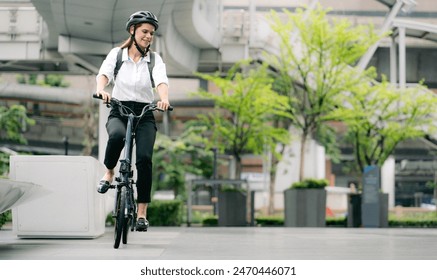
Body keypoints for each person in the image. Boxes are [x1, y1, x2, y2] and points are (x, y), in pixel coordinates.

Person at [94, 11, 170, 232]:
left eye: (152, 33)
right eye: (145, 31)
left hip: (145, 112)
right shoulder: (117, 55)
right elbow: (104, 74)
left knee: (144, 158)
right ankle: (109, 172)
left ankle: (142, 212)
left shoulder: (154, 59)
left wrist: (164, 99)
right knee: (116, 136)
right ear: (132, 30)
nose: (148, 36)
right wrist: (101, 90)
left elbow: (161, 80)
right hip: (119, 108)